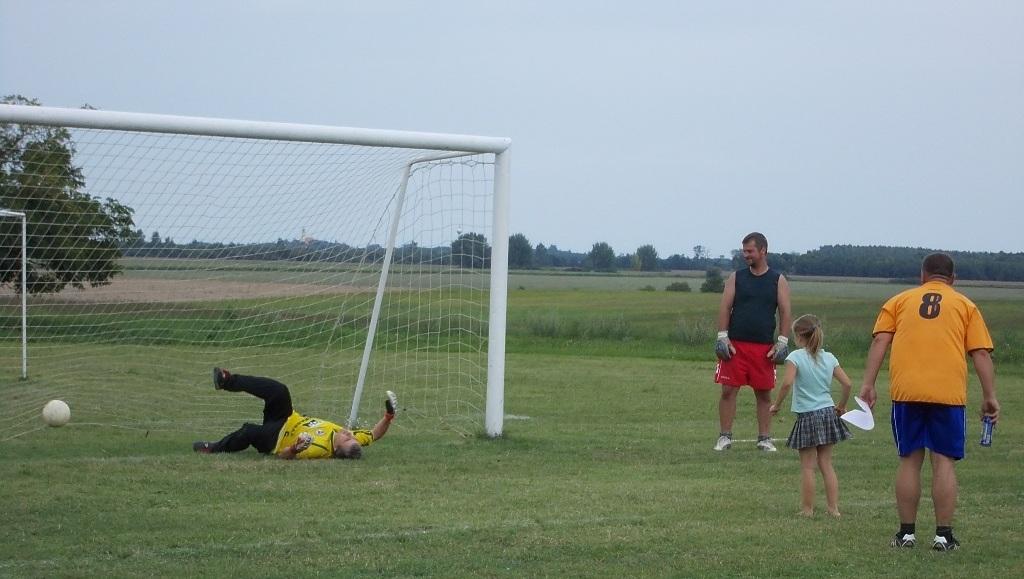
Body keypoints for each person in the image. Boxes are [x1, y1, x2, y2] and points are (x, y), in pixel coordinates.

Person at [860, 253, 1000, 552]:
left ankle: (906, 534)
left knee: (909, 460)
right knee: (943, 461)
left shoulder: (898, 301)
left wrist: (868, 384)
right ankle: (943, 536)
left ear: (922, 275)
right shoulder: (965, 305)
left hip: (906, 392)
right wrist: (989, 396)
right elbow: (981, 354)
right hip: (947, 394)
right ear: (953, 278)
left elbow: (880, 341)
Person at [193, 368, 397, 459]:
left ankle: (213, 448)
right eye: (352, 437)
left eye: (347, 438)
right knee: (279, 390)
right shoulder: (351, 439)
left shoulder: (318, 449)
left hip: (275, 439)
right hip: (287, 417)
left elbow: (283, 456)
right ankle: (227, 381)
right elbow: (373, 435)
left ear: (337, 449)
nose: (349, 433)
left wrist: (295, 449)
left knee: (248, 431)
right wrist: (388, 417)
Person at [714, 232, 792, 452]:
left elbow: (785, 312)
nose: (745, 255)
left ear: (763, 251)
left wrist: (783, 342)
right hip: (735, 346)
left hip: (764, 348)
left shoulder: (778, 280)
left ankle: (764, 439)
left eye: (750, 251)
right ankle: (724, 437)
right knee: (728, 391)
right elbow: (725, 307)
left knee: (764, 393)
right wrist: (722, 336)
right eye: (744, 251)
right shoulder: (736, 277)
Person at [769, 314, 852, 517]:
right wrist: (841, 406)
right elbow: (848, 384)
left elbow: (787, 383)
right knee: (826, 463)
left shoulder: (795, 357)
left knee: (808, 466)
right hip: (828, 413)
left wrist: (776, 405)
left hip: (808, 416)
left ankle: (807, 509)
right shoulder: (829, 358)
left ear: (798, 336)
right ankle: (833, 509)